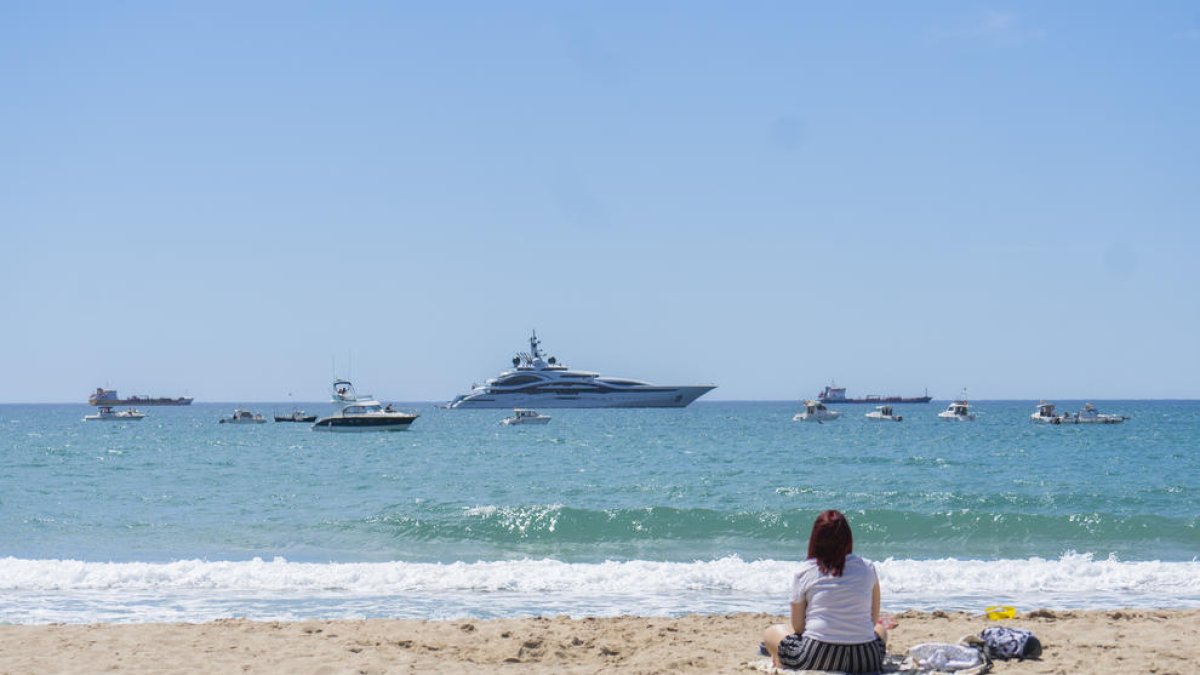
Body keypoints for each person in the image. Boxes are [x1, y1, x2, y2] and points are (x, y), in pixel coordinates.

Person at [762, 509, 890, 673]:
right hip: (865, 658)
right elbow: (872, 621)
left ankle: (780, 661)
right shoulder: (867, 567)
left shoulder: (805, 571)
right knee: (881, 629)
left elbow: (799, 627)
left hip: (817, 655)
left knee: (771, 632)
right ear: (847, 538)